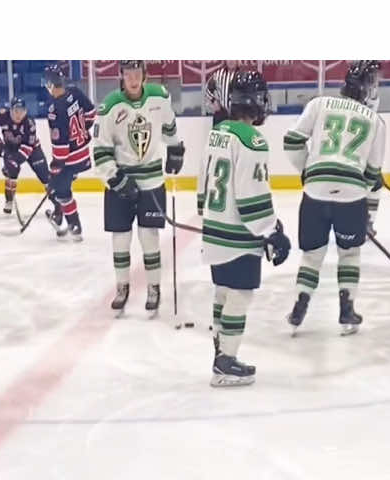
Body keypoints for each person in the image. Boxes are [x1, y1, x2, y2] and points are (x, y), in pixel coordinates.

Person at [199, 69, 290, 386]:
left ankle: (219, 350)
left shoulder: (218, 131)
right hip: (238, 236)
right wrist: (271, 231)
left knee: (222, 290)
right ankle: (225, 362)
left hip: (214, 230)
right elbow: (251, 197)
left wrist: (207, 214)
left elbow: (203, 184)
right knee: (240, 294)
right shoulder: (252, 140)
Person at [282, 60, 385, 335]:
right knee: (349, 254)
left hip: (315, 192)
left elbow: (291, 141)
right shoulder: (376, 121)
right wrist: (368, 216)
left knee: (312, 255)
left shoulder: (319, 104)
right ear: (367, 88)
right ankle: (347, 309)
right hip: (351, 194)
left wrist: (309, 170)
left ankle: (299, 305)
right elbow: (373, 174)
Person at [93, 60, 184, 315]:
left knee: (149, 237)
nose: (133, 78)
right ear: (121, 75)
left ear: (145, 75)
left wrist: (176, 147)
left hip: (152, 181)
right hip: (120, 181)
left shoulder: (159, 97)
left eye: (137, 73)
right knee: (121, 239)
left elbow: (169, 126)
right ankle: (122, 287)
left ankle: (154, 287)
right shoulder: (110, 106)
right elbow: (100, 149)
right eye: (128, 73)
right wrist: (115, 178)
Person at [43, 63, 95, 241]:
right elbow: (91, 113)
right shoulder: (75, 92)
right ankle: (59, 216)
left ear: (50, 84)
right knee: (58, 186)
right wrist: (80, 131)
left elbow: (61, 145)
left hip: (69, 158)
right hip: (83, 153)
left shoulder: (54, 109)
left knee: (60, 191)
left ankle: (74, 225)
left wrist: (56, 166)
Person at [0, 98, 49, 215]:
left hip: (32, 149)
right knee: (11, 176)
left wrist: (14, 162)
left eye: (22, 111)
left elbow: (28, 148)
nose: (19, 114)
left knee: (45, 176)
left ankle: (59, 204)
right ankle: (9, 200)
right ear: (11, 110)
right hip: (10, 148)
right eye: (16, 111)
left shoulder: (29, 123)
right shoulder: (1, 115)